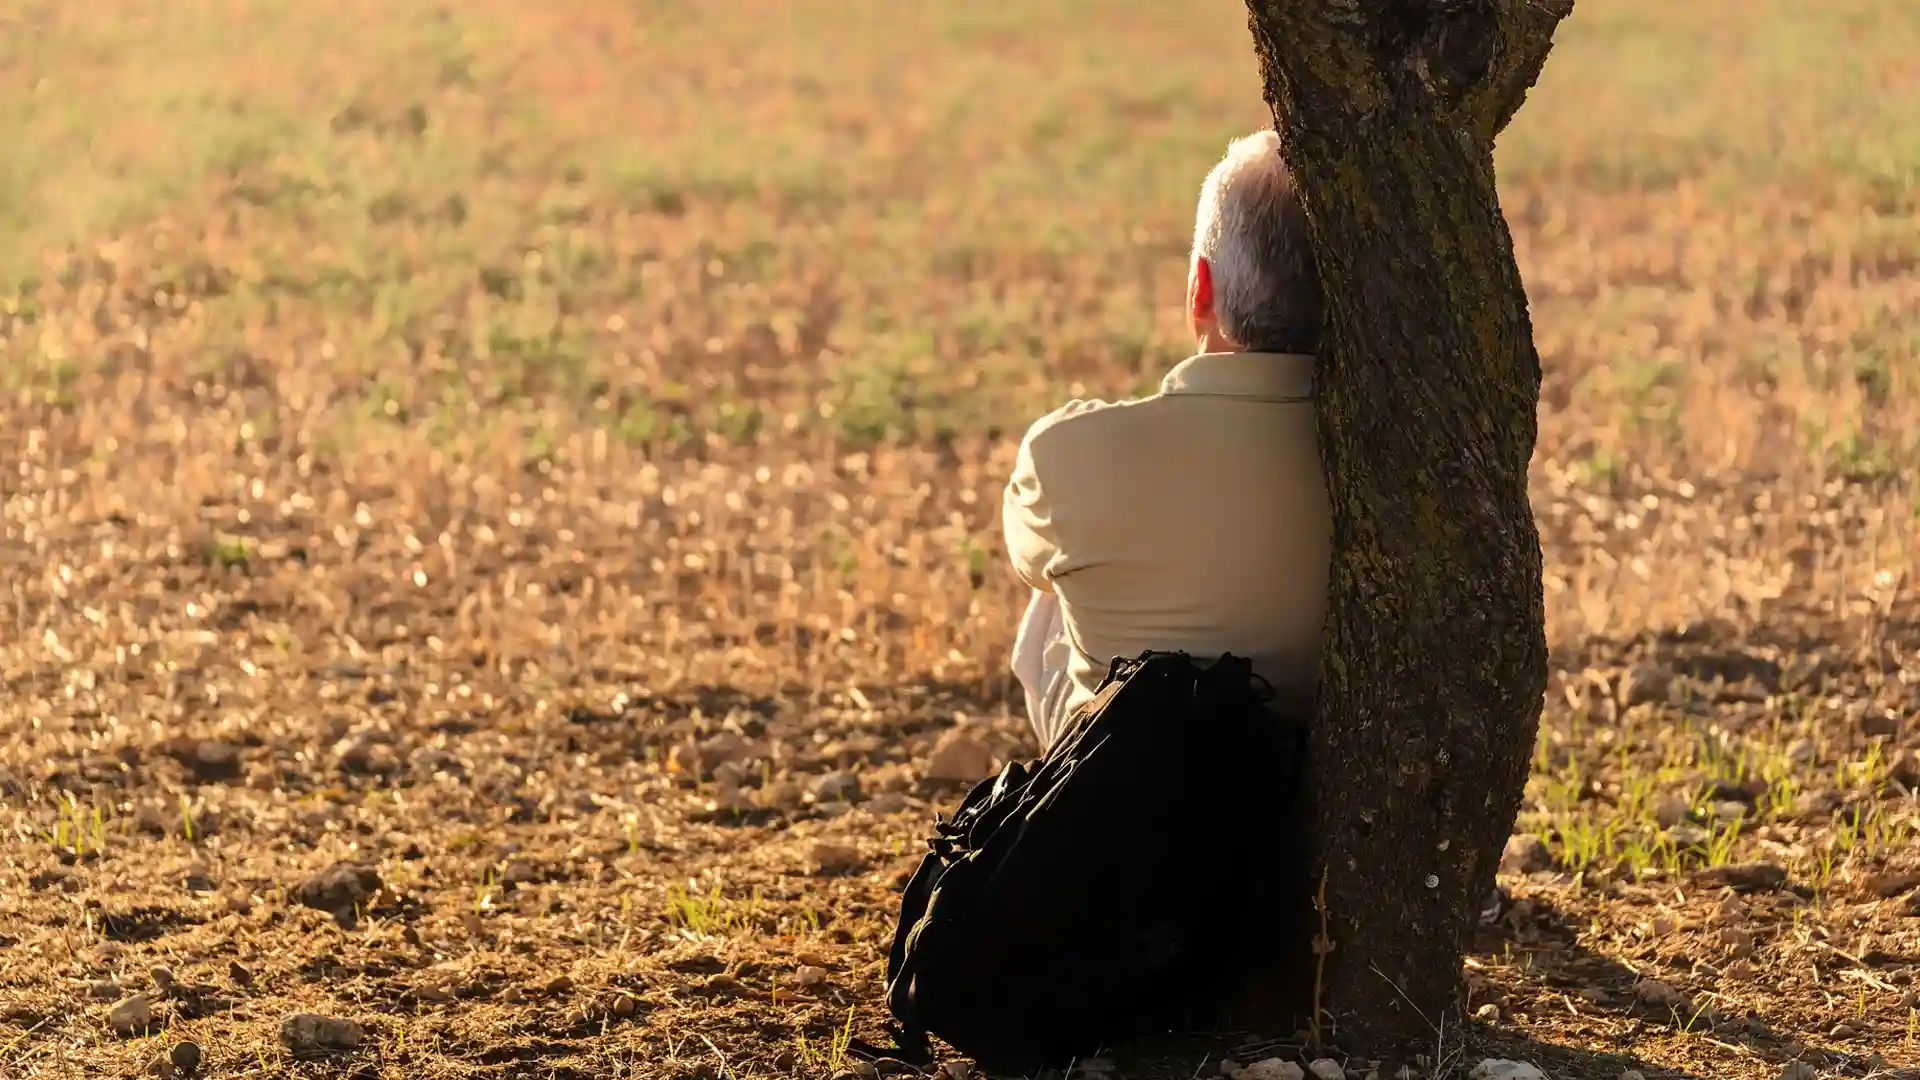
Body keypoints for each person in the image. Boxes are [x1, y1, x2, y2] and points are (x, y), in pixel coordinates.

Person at [1004, 130, 1331, 752]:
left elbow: (1024, 556)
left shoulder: (1068, 454)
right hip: (1310, 788)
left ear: (1199, 289)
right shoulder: (1390, 466)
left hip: (1128, 797)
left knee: (1055, 589)